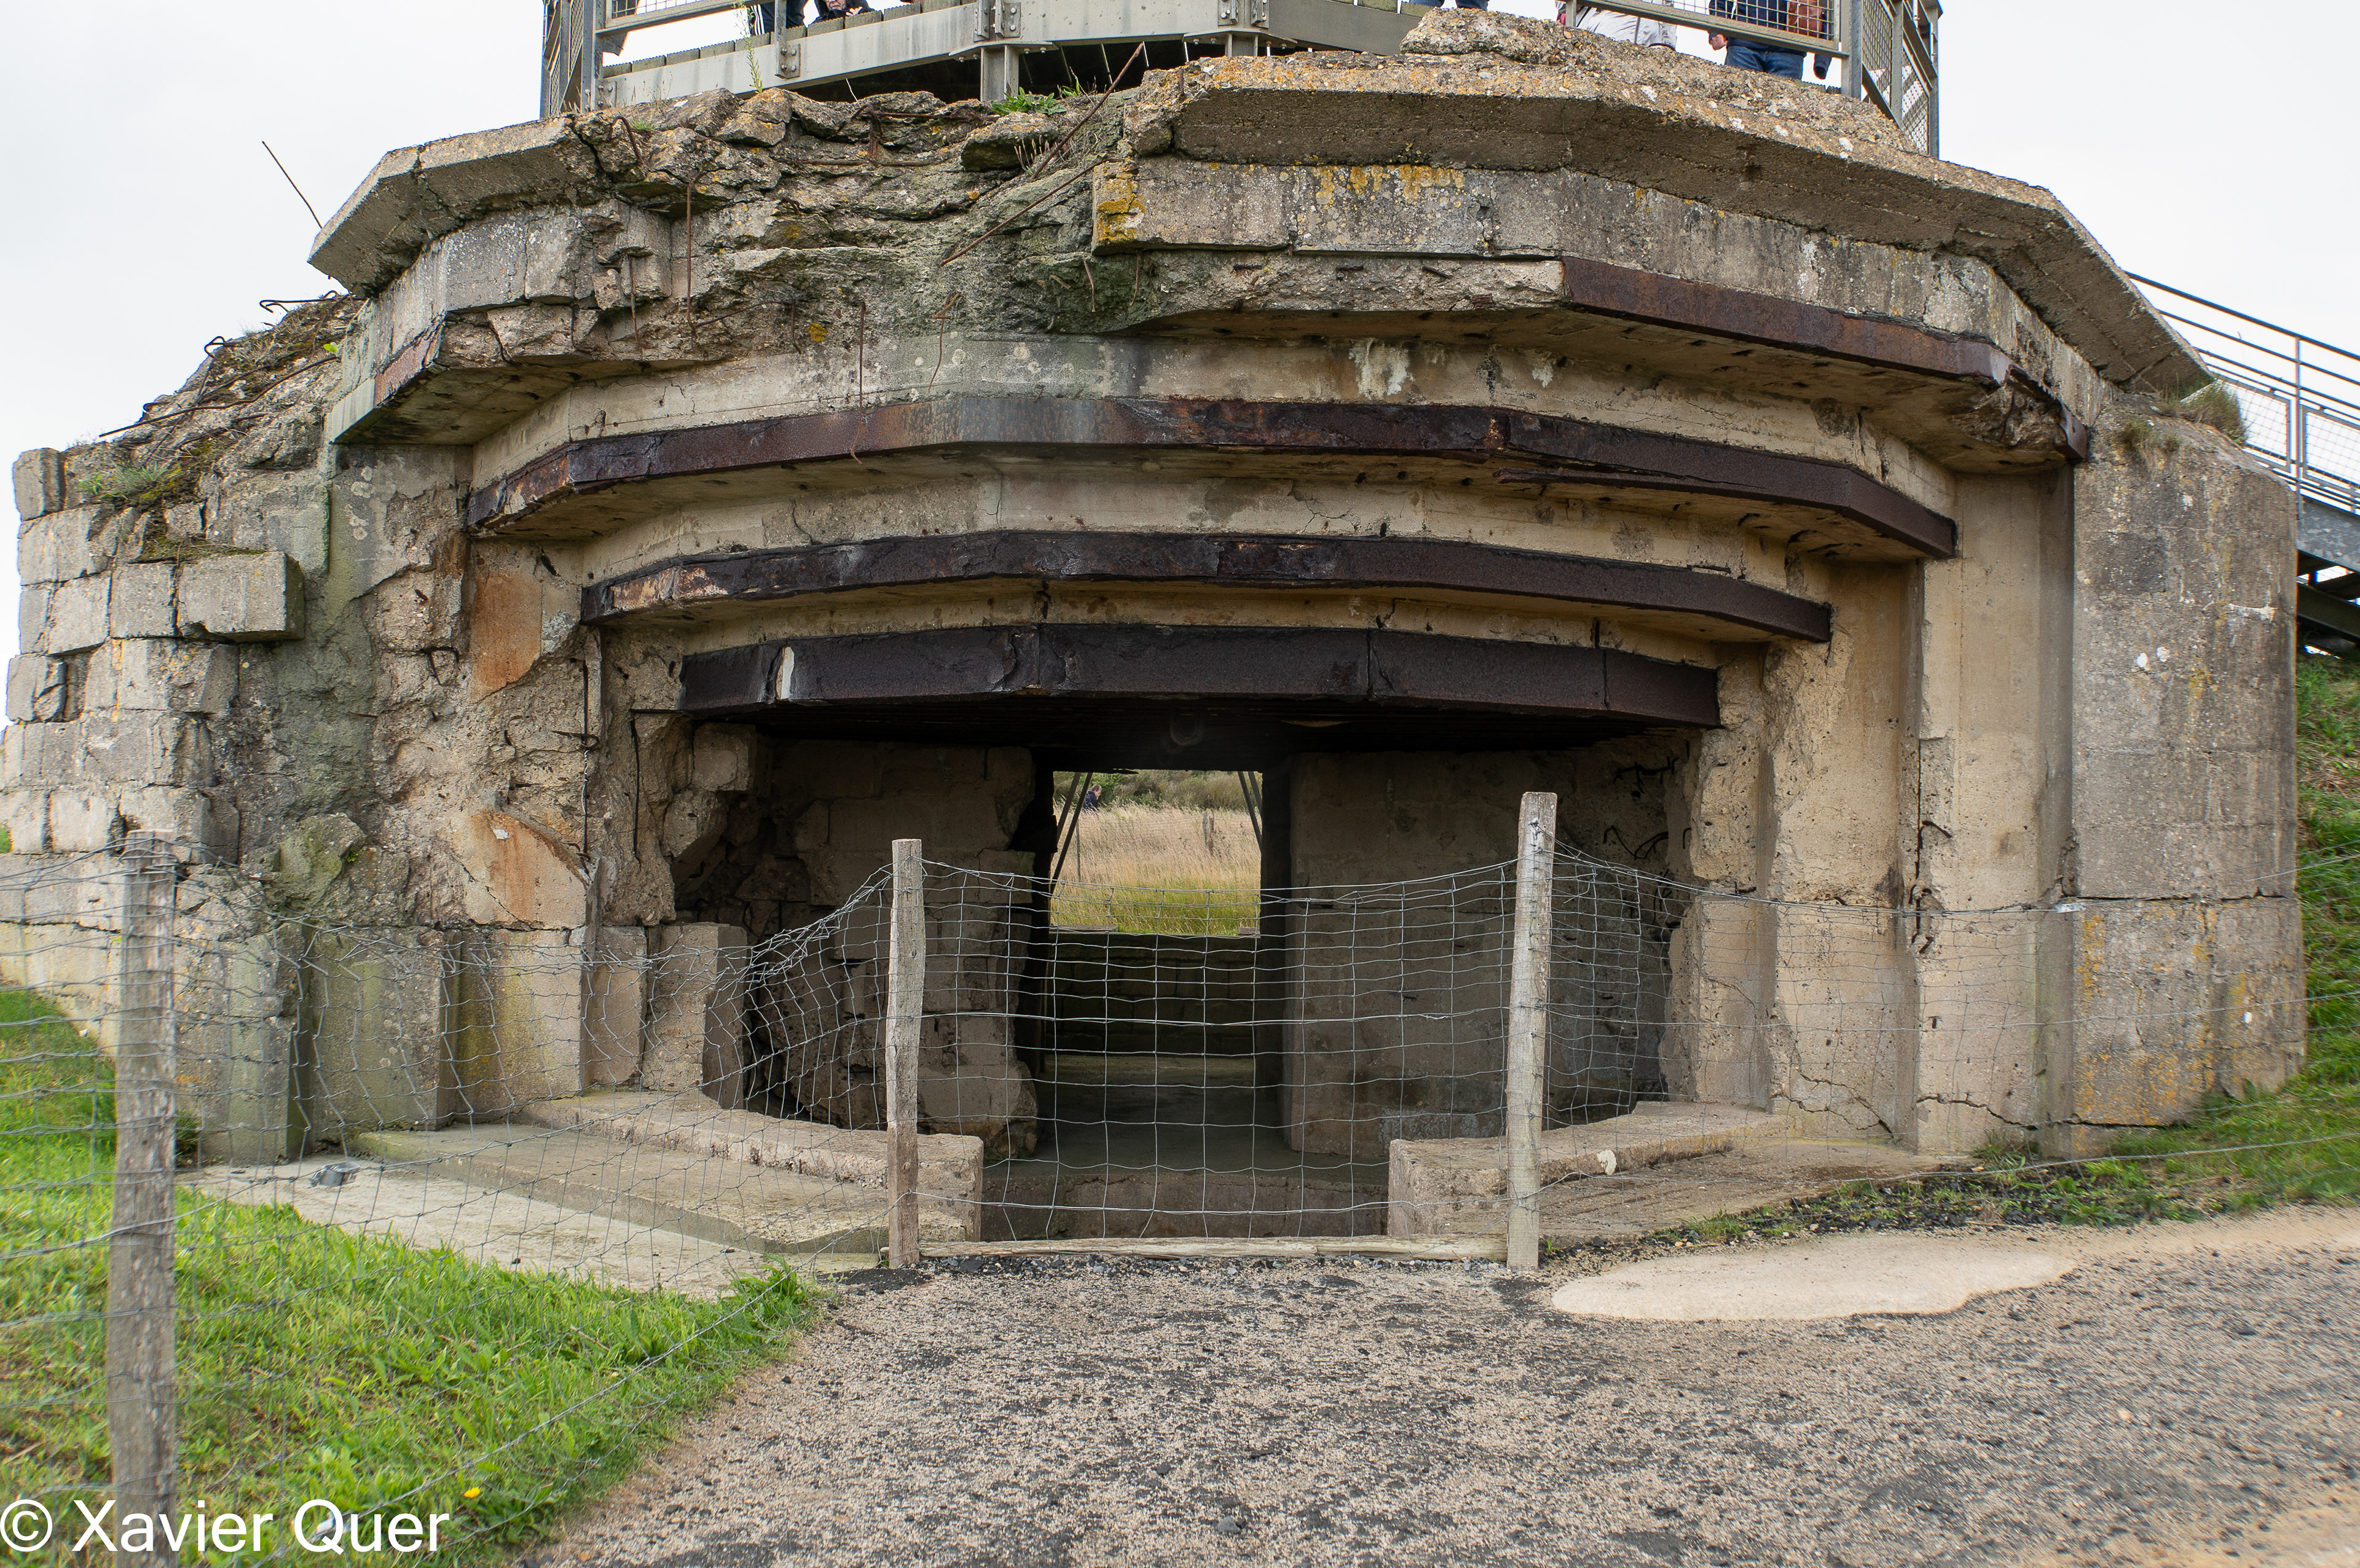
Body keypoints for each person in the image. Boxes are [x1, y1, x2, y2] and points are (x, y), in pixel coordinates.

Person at [1709, 0, 1830, 81]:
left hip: (1789, 50)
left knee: (1784, 115)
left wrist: (1822, 59)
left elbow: (1830, 11)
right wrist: (1717, 30)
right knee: (1736, 108)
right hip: (1745, 45)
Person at [1562, 3, 1675, 48]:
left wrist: (1667, 45)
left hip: (1650, 43)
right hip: (1603, 34)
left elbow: (1668, 13)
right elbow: (1562, 5)